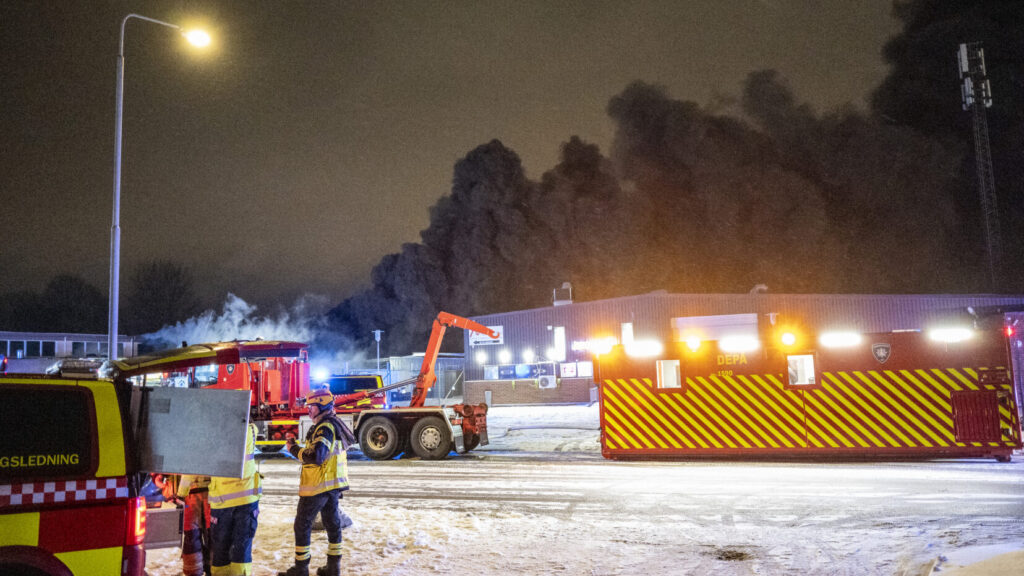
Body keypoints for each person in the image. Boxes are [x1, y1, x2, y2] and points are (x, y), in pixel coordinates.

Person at [278, 388, 355, 576]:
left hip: (318, 485)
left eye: (311, 406)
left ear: (321, 405)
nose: (308, 410)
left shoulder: (325, 427)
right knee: (332, 522)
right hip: (331, 485)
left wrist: (294, 449)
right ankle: (333, 567)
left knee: (302, 524)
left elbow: (316, 456)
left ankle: (301, 568)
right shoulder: (332, 424)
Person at [208, 421, 262, 576]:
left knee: (220, 549)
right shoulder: (251, 429)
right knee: (242, 549)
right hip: (247, 498)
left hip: (221, 500)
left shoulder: (212, 429)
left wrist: (181, 492)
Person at [174, 474, 212, 576]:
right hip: (214, 493)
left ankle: (193, 571)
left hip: (191, 493)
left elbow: (188, 471)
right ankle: (212, 568)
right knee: (212, 534)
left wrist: (181, 494)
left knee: (192, 534)